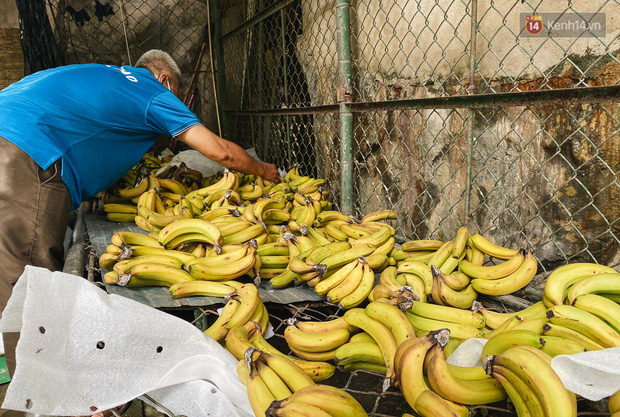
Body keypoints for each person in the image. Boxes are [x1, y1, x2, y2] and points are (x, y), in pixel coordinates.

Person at [0, 49, 280, 417]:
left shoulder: (105, 75)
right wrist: (264, 171)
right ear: (165, 79)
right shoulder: (150, 92)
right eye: (177, 95)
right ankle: (32, 403)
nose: (174, 105)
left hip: (12, 132)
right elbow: (221, 154)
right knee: (28, 283)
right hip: (25, 154)